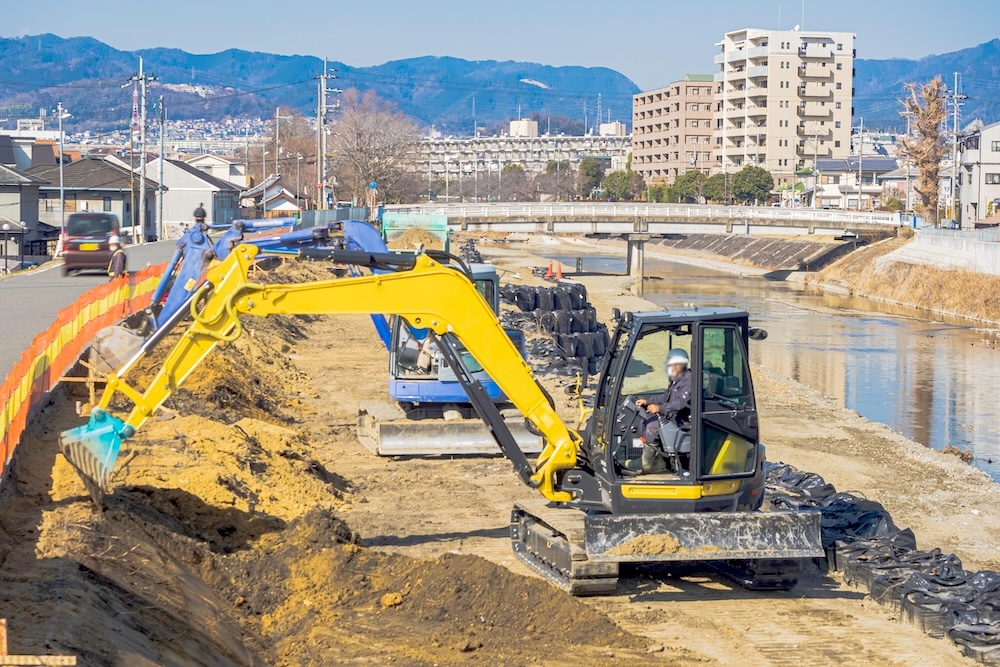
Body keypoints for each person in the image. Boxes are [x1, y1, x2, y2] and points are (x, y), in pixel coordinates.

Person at [625, 348, 693, 474]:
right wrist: (648, 401)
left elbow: (681, 403)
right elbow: (665, 396)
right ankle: (657, 459)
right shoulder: (677, 379)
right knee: (644, 421)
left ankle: (649, 464)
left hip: (684, 420)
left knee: (652, 427)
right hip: (674, 416)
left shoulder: (690, 380)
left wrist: (660, 408)